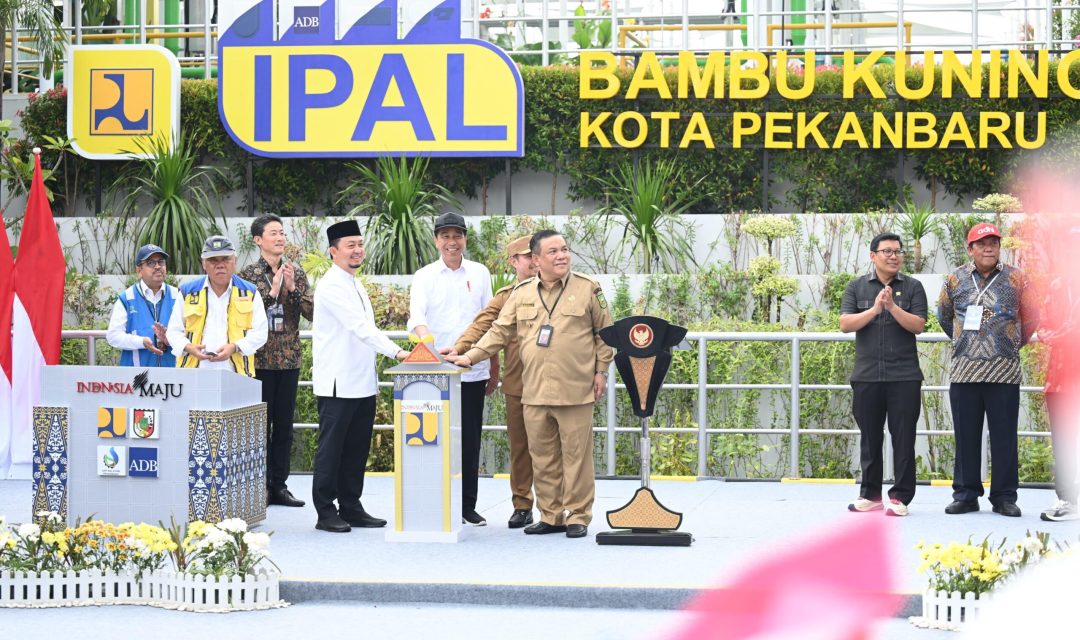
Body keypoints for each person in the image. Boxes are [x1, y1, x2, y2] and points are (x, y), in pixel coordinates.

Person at [450, 230, 614, 539]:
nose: (562, 255)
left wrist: (601, 371)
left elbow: (605, 333)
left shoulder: (588, 289)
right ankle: (551, 515)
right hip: (534, 390)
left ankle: (578, 514)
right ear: (536, 260)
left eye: (564, 249)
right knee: (542, 457)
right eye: (553, 252)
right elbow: (498, 331)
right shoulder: (521, 293)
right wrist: (469, 356)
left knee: (577, 456)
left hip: (575, 388)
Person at [311, 220, 409, 533]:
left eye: (359, 244)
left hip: (362, 382)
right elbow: (361, 328)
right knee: (332, 449)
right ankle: (325, 511)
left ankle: (351, 506)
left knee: (356, 450)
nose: (357, 250)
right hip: (338, 383)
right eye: (350, 245)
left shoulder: (356, 282)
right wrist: (397, 352)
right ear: (333, 251)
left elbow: (366, 331)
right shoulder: (330, 285)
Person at [937, 223, 1036, 517]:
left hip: (1004, 370)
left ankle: (1004, 497)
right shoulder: (954, 279)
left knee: (1005, 435)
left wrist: (1011, 342)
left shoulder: (1017, 278)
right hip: (964, 370)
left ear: (999, 246)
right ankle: (966, 495)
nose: (988, 247)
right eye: (981, 243)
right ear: (970, 249)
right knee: (966, 436)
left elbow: (1032, 316)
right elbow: (944, 316)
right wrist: (964, 342)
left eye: (993, 242)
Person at [408, 212, 493, 526]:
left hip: (472, 370)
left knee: (469, 441)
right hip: (435, 374)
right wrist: (424, 339)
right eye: (445, 236)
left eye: (457, 236)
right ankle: (435, 503)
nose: (451, 242)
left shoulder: (480, 273)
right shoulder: (425, 275)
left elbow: (490, 320)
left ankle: (466, 506)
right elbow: (416, 315)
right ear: (436, 240)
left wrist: (492, 366)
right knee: (434, 441)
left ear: (465, 239)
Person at [453, 235, 538, 529]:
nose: (534, 260)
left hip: (554, 384)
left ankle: (561, 508)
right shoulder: (506, 296)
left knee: (557, 449)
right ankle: (523, 504)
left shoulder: (559, 290)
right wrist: (459, 348)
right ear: (514, 262)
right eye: (527, 256)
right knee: (520, 448)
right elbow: (482, 323)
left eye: (536, 254)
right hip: (519, 383)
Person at [839, 233, 927, 517]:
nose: (894, 256)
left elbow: (918, 325)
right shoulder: (857, 287)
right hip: (867, 375)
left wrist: (891, 307)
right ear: (873, 255)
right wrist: (876, 309)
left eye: (898, 252)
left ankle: (900, 497)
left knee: (903, 437)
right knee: (870, 437)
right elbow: (845, 323)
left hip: (904, 376)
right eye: (887, 251)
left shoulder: (913, 287)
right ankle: (871, 494)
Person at [239, 215, 314, 509]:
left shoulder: (296, 271)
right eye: (273, 233)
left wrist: (292, 288)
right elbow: (245, 315)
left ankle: (279, 486)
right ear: (258, 240)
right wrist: (271, 294)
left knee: (284, 427)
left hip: (289, 360)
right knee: (259, 426)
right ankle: (259, 486)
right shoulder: (247, 276)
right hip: (258, 362)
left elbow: (311, 312)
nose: (280, 237)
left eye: (282, 233)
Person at [166, 235, 268, 374]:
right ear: (203, 263)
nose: (220, 264)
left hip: (236, 374)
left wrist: (235, 347)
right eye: (213, 260)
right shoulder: (187, 292)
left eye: (226, 259)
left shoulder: (250, 292)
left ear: (235, 261)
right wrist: (189, 347)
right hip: (193, 373)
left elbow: (260, 333)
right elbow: (173, 331)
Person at [106, 244, 180, 367]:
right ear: (139, 271)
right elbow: (113, 336)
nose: (157, 266)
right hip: (137, 378)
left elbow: (189, 334)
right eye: (151, 263)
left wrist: (170, 339)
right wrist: (141, 342)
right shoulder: (127, 298)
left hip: (173, 377)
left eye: (161, 262)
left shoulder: (177, 296)